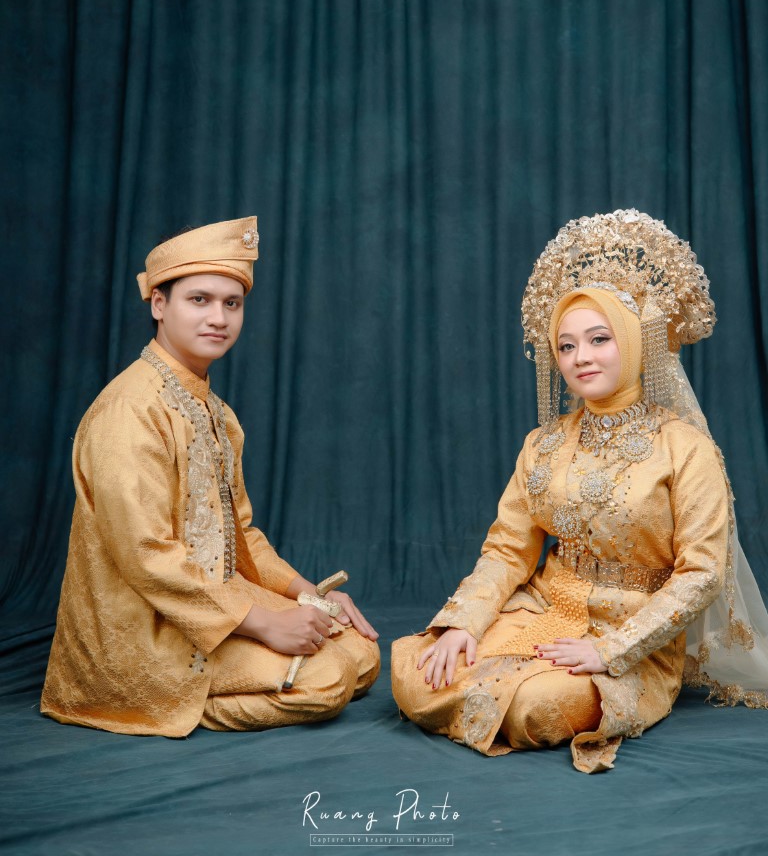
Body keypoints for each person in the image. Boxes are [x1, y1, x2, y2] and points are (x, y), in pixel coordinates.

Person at [391, 209, 768, 772]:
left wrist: (610, 649)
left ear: (634, 343)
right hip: (542, 608)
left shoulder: (684, 448)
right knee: (416, 672)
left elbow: (703, 572)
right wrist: (463, 622)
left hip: (632, 633)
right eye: (566, 346)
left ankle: (556, 688)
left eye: (599, 339)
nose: (581, 357)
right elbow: (508, 549)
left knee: (536, 709)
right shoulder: (543, 443)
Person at [42, 217, 379, 736]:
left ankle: (265, 665)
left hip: (217, 604)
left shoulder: (215, 412)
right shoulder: (129, 411)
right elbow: (148, 557)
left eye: (232, 303)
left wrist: (309, 597)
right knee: (329, 679)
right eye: (199, 300)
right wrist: (267, 623)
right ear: (159, 304)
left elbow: (241, 536)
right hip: (146, 631)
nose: (218, 318)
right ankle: (154, 704)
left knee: (361, 652)